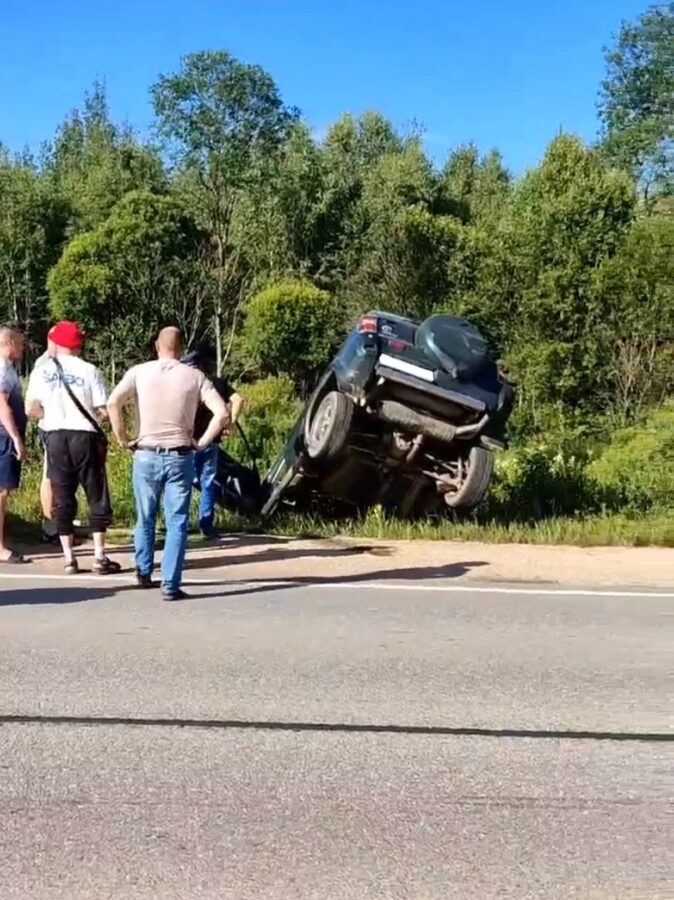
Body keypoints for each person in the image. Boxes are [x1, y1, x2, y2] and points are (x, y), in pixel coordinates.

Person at [107, 327, 228, 601]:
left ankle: (143, 571)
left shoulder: (139, 371)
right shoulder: (195, 376)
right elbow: (221, 414)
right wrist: (202, 442)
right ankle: (171, 585)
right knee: (177, 522)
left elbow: (113, 401)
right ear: (181, 348)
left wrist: (123, 437)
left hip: (146, 452)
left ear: (156, 345)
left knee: (146, 516)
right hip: (180, 454)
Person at [25, 321, 118, 575]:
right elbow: (102, 410)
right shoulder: (90, 370)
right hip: (84, 437)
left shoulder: (41, 371)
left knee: (63, 496)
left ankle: (69, 558)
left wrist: (50, 415)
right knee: (96, 493)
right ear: (78, 344)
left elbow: (30, 409)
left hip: (55, 436)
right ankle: (99, 555)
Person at [182, 350, 245, 539]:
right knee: (207, 482)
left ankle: (180, 525)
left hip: (187, 441)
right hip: (210, 441)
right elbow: (238, 399)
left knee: (183, 483)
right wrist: (231, 423)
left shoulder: (186, 384)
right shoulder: (218, 383)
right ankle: (206, 526)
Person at [0, 326, 28, 564]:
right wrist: (15, 437)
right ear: (8, 342)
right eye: (19, 343)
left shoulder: (7, 368)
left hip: (5, 436)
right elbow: (2, 406)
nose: (22, 347)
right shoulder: (1, 368)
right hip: (2, 436)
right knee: (0, 491)